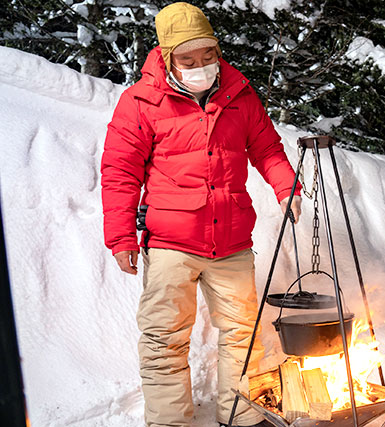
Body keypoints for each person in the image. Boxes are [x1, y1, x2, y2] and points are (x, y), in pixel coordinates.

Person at [100, 2, 302, 426]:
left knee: (242, 338)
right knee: (163, 341)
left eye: (207, 56)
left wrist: (287, 188)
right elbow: (120, 171)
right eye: (188, 60)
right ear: (167, 56)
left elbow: (266, 148)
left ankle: (243, 417)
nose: (200, 66)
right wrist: (120, 237)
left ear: (217, 49)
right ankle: (170, 422)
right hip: (171, 243)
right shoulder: (140, 101)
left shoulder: (240, 94)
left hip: (230, 242)